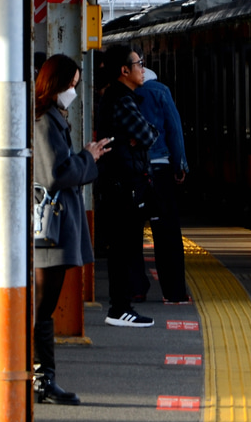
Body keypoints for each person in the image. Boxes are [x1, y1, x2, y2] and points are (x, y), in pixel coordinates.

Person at [32, 55, 110, 403]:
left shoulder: (48, 118)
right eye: (72, 84)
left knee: (42, 307)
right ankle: (42, 381)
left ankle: (42, 379)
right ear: (56, 84)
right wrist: (87, 159)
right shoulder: (46, 122)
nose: (74, 91)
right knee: (42, 308)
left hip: (55, 228)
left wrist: (83, 157)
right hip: (51, 230)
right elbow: (55, 175)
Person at [96, 44, 158, 327]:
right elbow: (147, 134)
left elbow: (143, 135)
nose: (142, 68)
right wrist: (134, 138)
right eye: (138, 63)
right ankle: (120, 308)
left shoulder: (117, 97)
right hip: (123, 186)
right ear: (124, 70)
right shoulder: (122, 100)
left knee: (124, 247)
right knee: (124, 247)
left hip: (119, 183)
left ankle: (122, 307)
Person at [136, 67, 191, 303]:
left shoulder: (123, 94)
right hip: (160, 169)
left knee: (131, 233)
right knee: (167, 233)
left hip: (133, 171)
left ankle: (136, 288)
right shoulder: (159, 91)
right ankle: (174, 292)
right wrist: (180, 164)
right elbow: (174, 130)